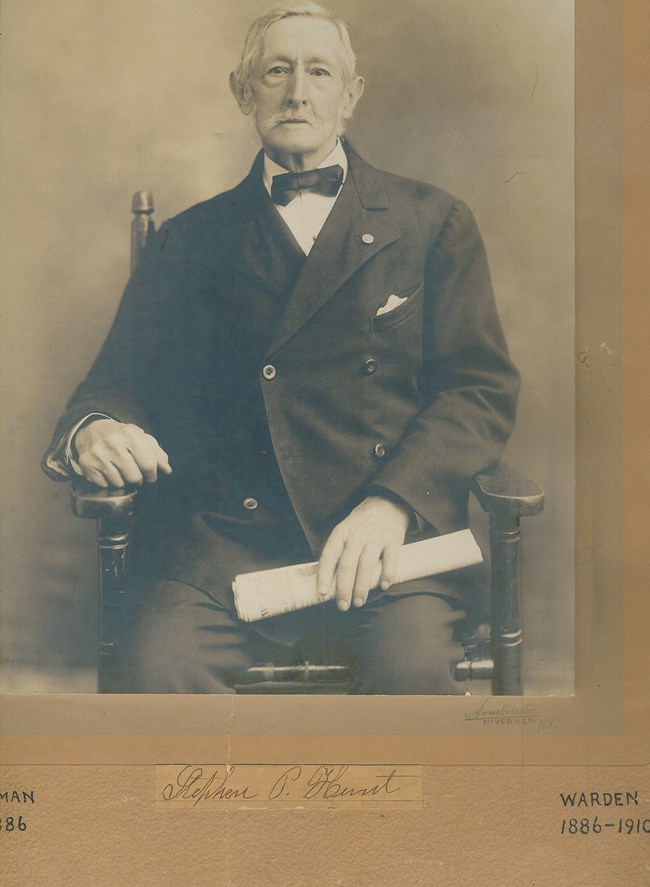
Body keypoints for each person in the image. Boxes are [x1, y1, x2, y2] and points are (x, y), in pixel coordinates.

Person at [42, 1, 519, 694]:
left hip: (389, 546)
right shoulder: (187, 242)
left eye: (319, 71)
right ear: (243, 92)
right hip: (223, 552)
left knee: (413, 676)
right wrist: (96, 430)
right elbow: (113, 384)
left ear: (349, 94)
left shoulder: (431, 222)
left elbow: (478, 388)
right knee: (157, 672)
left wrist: (393, 501)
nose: (297, 91)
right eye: (276, 70)